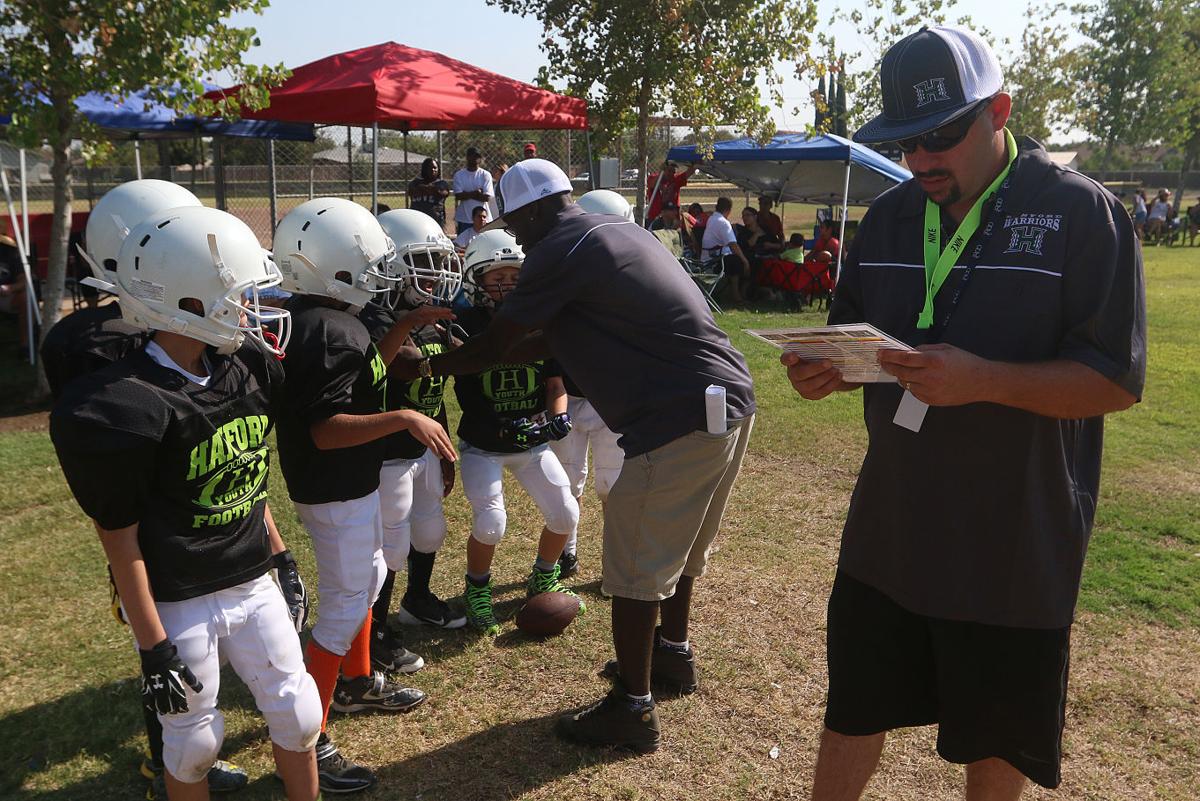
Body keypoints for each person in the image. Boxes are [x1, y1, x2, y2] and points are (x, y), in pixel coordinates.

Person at [782, 26, 1145, 801]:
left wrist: (983, 380)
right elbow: (852, 340)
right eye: (905, 140)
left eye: (941, 135)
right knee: (853, 711)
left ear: (999, 111)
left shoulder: (1082, 214)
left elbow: (1115, 380)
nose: (920, 159)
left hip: (1013, 551)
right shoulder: (887, 219)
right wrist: (827, 374)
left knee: (996, 739)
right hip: (890, 533)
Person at [393, 158, 755, 755]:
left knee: (635, 567)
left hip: (679, 416)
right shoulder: (616, 231)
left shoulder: (560, 247)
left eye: (515, 222)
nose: (516, 237)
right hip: (727, 399)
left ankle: (632, 708)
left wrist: (428, 365)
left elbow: (498, 344)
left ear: (535, 210)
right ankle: (672, 655)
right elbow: (550, 340)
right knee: (684, 546)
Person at [50, 205, 323, 801]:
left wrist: (280, 558)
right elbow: (117, 534)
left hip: (250, 577)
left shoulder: (245, 367)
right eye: (240, 295)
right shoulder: (124, 404)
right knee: (193, 742)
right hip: (178, 594)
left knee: (299, 713)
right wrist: (153, 646)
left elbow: (248, 478)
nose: (253, 308)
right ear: (189, 301)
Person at [273, 197, 458, 794]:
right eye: (372, 264)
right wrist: (404, 417)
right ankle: (312, 736)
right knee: (344, 608)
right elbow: (325, 429)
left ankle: (355, 684)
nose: (381, 275)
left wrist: (404, 325)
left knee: (372, 576)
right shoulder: (328, 330)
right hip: (334, 488)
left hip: (346, 483)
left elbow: (361, 377)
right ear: (334, 266)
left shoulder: (326, 319)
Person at [452, 228, 582, 635]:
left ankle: (544, 576)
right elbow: (467, 392)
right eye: (498, 277)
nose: (508, 285)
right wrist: (506, 426)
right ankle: (477, 590)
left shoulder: (538, 321)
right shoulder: (466, 325)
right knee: (491, 522)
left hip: (531, 442)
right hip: (483, 445)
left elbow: (556, 384)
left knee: (566, 513)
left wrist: (559, 417)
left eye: (515, 277)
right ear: (476, 279)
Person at [370, 209, 468, 638]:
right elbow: (407, 365)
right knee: (390, 545)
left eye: (439, 260)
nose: (436, 272)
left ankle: (417, 599)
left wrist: (441, 447)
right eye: (423, 261)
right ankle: (376, 628)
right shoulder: (376, 317)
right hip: (387, 452)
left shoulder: (429, 318)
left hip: (421, 445)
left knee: (429, 531)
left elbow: (434, 391)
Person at [701, 197, 750, 304]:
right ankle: (736, 295)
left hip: (708, 257)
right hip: (712, 261)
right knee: (737, 261)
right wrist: (745, 261)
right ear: (729, 210)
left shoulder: (712, 219)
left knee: (735, 259)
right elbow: (733, 245)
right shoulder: (723, 222)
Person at [452, 147, 493, 235]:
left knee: (483, 242)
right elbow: (458, 196)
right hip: (464, 218)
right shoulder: (459, 175)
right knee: (463, 242)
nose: (475, 158)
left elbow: (486, 198)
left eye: (477, 156)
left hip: (482, 219)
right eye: (472, 156)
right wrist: (476, 193)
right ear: (467, 157)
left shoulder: (485, 175)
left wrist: (466, 194)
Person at [408, 158, 451, 230]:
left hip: (436, 221)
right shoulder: (415, 182)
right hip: (417, 221)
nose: (433, 170)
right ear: (424, 169)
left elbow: (444, 193)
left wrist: (426, 188)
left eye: (435, 168)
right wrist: (432, 189)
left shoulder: (441, 183)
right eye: (429, 168)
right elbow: (412, 191)